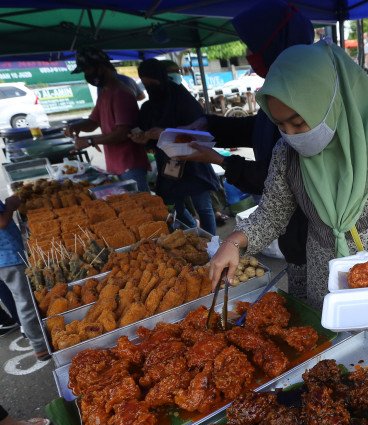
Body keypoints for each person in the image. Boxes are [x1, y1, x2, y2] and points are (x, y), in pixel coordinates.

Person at [209, 41, 368, 309]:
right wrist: (234, 242)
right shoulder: (286, 154)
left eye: (298, 122)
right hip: (325, 279)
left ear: (329, 101)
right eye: (281, 125)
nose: (291, 135)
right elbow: (271, 215)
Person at [176, 0, 315, 298]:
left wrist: (218, 160)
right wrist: (208, 124)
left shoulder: (311, 96)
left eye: (253, 46)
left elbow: (267, 178)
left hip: (319, 243)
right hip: (296, 242)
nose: (288, 134)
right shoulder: (276, 100)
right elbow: (259, 130)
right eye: (283, 125)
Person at [130, 59, 219, 235]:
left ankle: (212, 241)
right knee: (172, 205)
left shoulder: (183, 99)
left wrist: (166, 132)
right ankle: (194, 232)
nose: (150, 88)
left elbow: (199, 129)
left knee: (203, 206)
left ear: (161, 78)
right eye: (146, 84)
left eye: (153, 83)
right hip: (168, 164)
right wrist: (143, 138)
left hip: (193, 159)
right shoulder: (149, 107)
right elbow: (145, 131)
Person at [64, 47, 150, 192]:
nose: (86, 75)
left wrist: (90, 141)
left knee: (144, 208)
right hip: (115, 164)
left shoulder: (121, 93)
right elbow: (93, 123)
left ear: (101, 67)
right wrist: (75, 126)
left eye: (87, 70)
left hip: (130, 164)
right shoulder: (105, 93)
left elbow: (122, 133)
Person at [0, 196, 48, 361]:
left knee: (22, 299)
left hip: (6, 257)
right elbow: (1, 222)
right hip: (7, 258)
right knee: (25, 302)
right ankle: (40, 347)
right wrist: (10, 206)